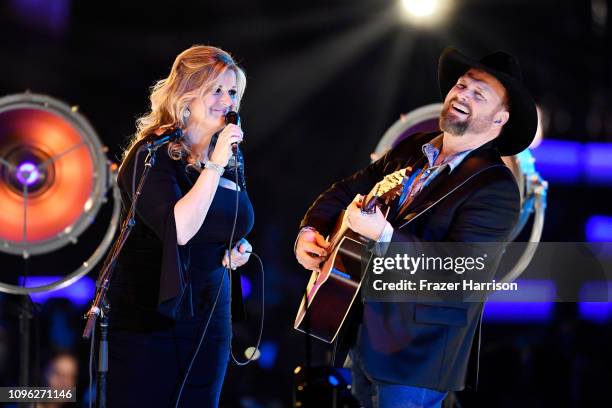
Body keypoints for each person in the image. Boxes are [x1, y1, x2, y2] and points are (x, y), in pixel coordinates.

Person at [295, 47, 537, 408]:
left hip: (416, 358)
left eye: (477, 93)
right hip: (359, 330)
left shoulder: (496, 187)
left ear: (500, 119)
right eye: (460, 85)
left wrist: (385, 236)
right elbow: (347, 190)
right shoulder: (413, 148)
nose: (461, 94)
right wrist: (310, 231)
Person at [107, 45, 255, 407]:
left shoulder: (227, 156)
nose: (227, 100)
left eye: (232, 92)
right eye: (216, 89)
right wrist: (215, 165)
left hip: (209, 314)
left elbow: (232, 222)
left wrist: (239, 248)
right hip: (153, 315)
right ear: (187, 93)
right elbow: (181, 229)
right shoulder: (152, 153)